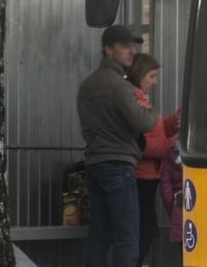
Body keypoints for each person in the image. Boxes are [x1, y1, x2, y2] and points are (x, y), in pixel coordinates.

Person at [77, 25, 160, 267]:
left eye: (132, 46)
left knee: (99, 236)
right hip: (119, 166)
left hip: (94, 164)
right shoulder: (119, 87)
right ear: (108, 49)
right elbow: (143, 121)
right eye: (125, 46)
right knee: (127, 235)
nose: (131, 51)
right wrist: (151, 110)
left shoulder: (87, 85)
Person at [126, 53, 181, 267]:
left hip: (147, 177)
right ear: (139, 75)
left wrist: (173, 123)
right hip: (141, 178)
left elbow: (155, 132)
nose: (155, 82)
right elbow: (148, 144)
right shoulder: (135, 103)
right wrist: (174, 142)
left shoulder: (140, 101)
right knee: (142, 231)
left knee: (144, 230)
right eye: (151, 76)